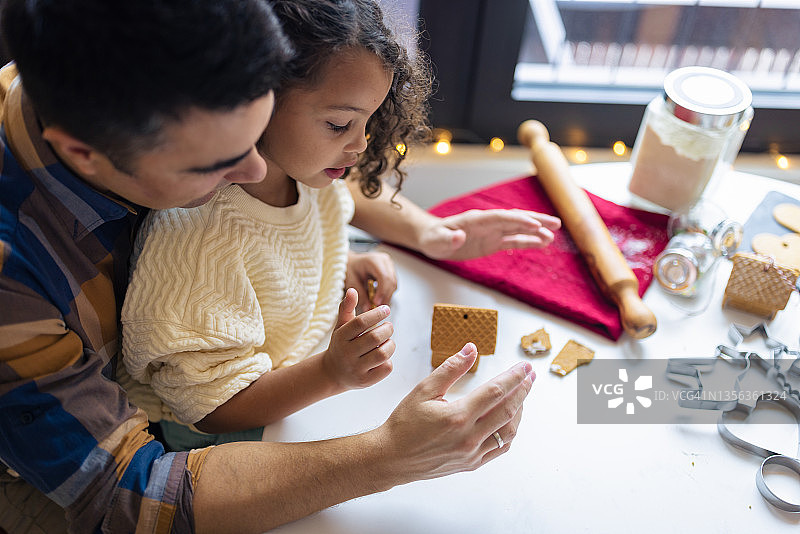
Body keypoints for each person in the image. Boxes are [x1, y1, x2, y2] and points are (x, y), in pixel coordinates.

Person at [0, 1, 536, 533]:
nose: (256, 169)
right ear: (86, 152)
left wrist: (347, 247)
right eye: (215, 164)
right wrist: (391, 454)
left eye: (253, 134)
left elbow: (297, 168)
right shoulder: (16, 280)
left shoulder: (162, 95)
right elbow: (130, 498)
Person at [120, 0, 561, 451]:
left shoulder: (310, 174)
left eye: (368, 121)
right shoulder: (200, 241)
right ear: (258, 99)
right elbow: (211, 409)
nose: (360, 143)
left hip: (302, 375)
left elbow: (331, 206)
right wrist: (331, 372)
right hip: (227, 431)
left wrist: (409, 239)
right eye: (338, 123)